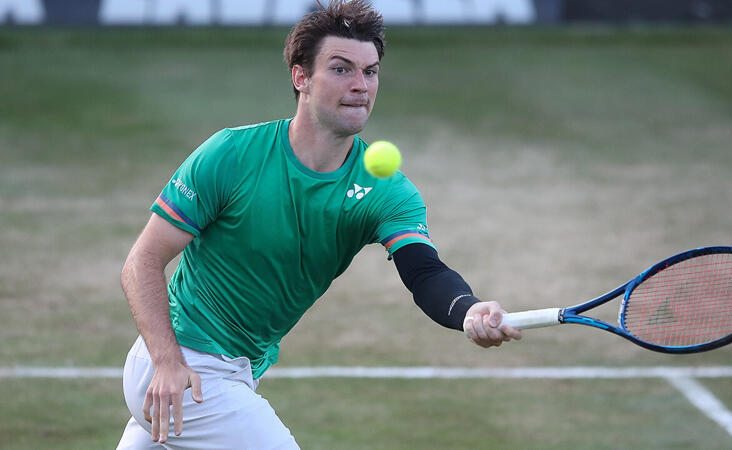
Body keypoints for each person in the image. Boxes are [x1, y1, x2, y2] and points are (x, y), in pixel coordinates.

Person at [116, 1, 521, 448]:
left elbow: (425, 273)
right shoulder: (231, 154)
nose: (360, 85)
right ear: (301, 77)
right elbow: (142, 262)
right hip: (179, 370)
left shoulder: (386, 191)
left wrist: (467, 310)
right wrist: (167, 362)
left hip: (233, 371)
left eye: (370, 72)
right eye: (342, 69)